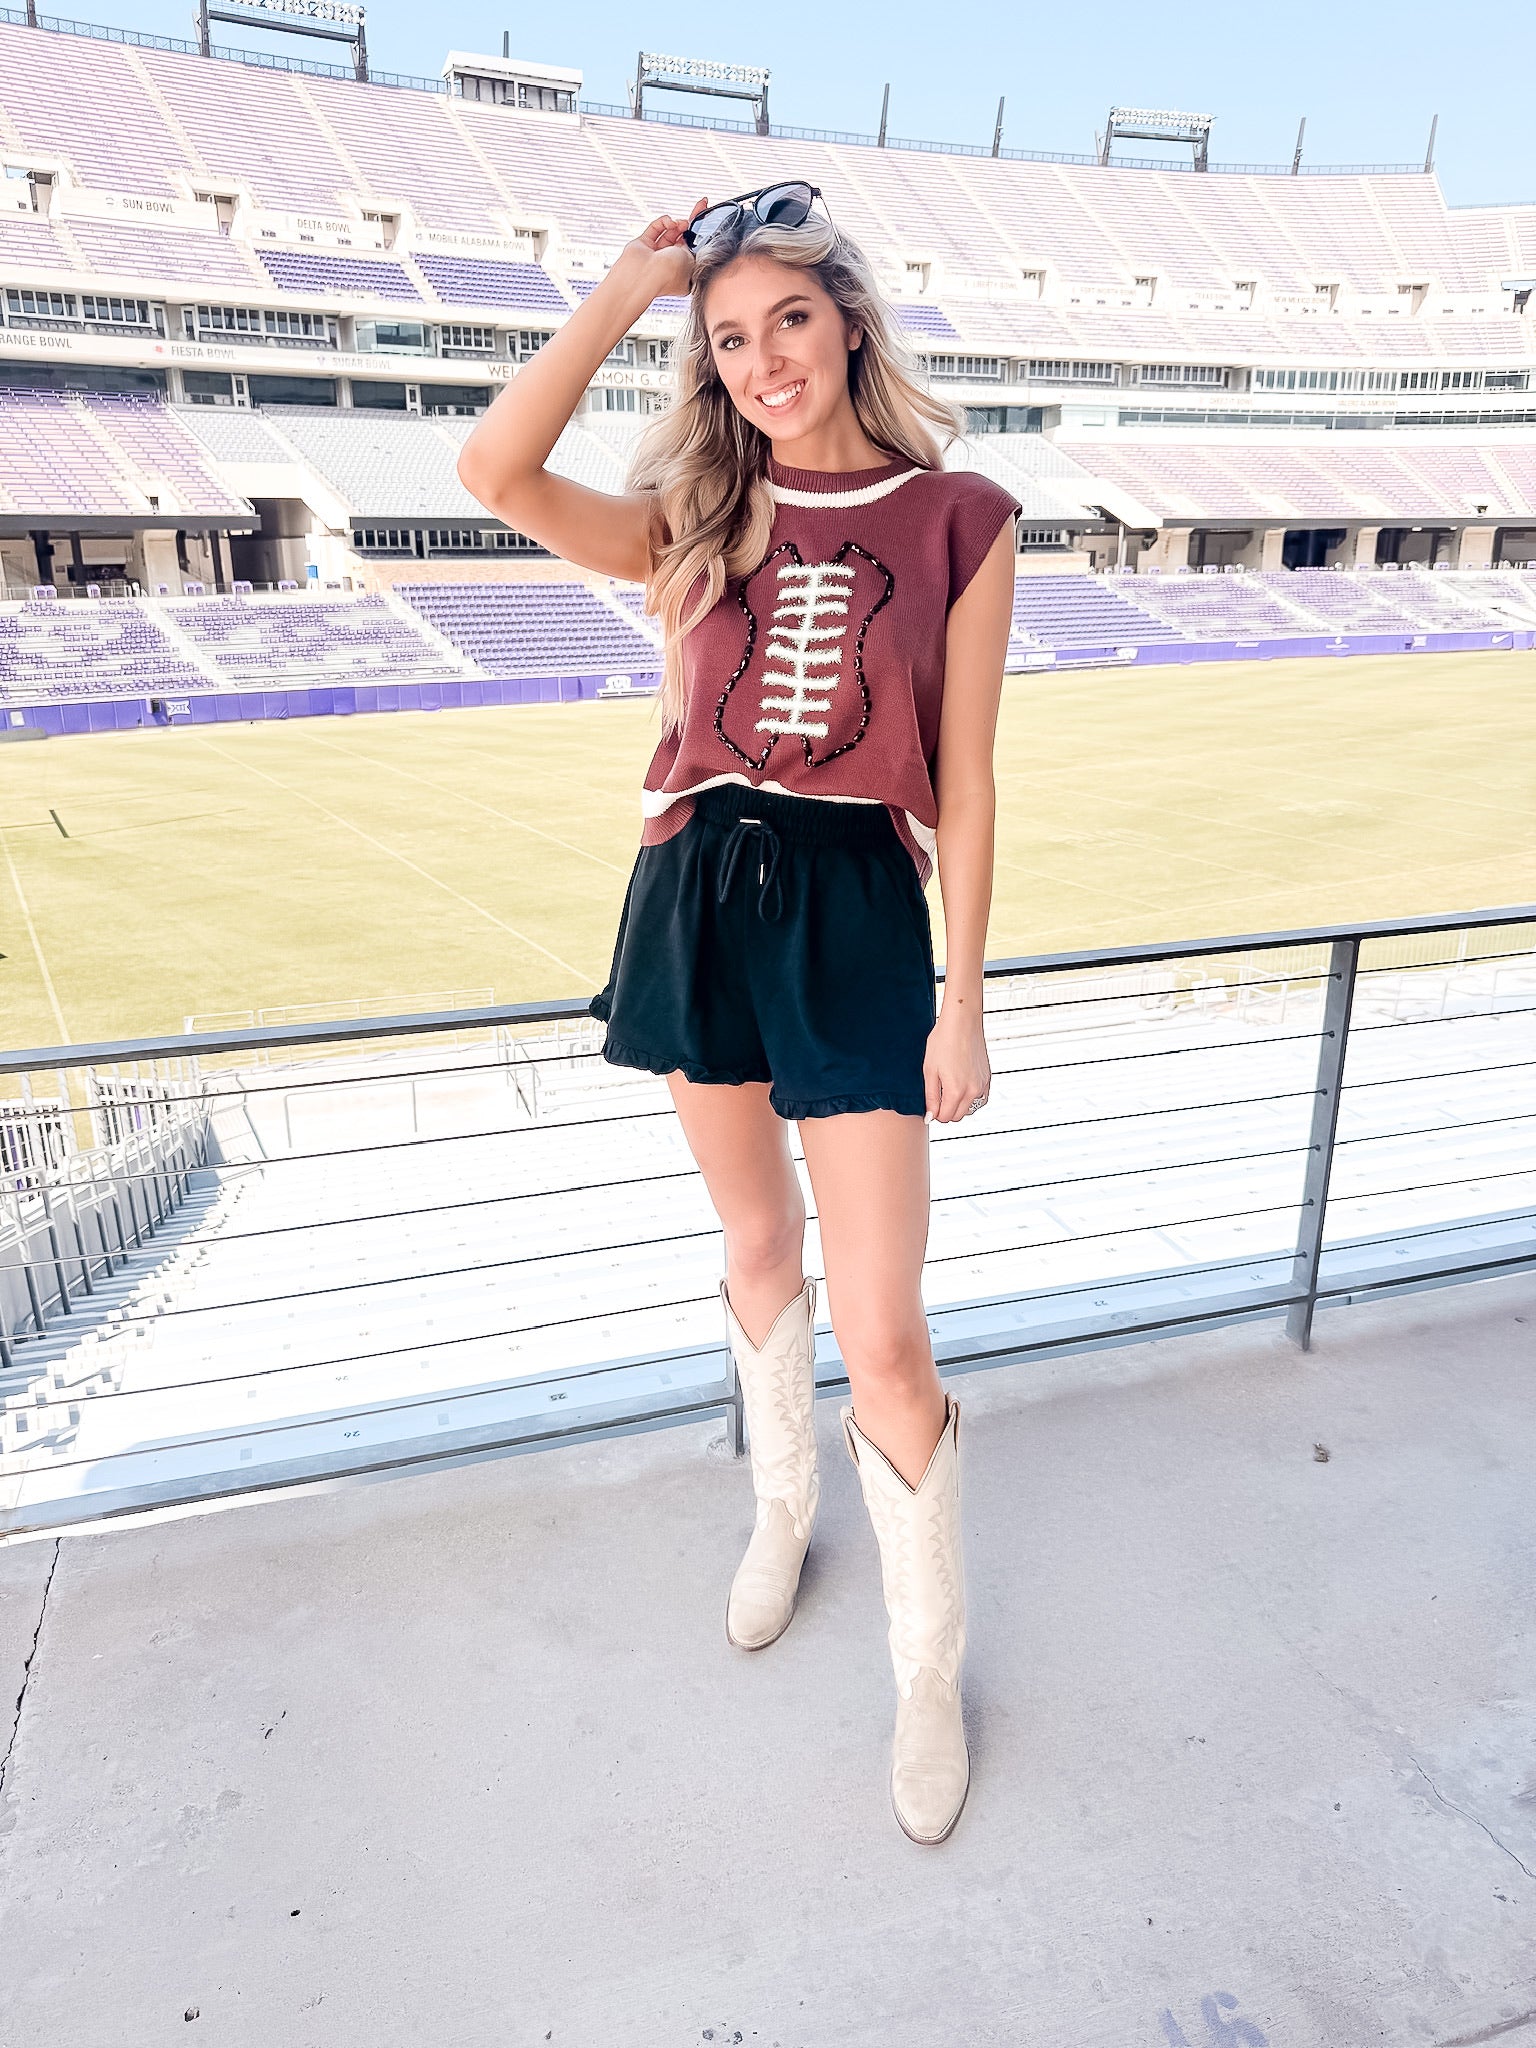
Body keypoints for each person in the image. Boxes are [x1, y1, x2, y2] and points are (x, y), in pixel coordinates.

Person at [458, 182, 1021, 1845]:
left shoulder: (963, 517)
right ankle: (782, 1508)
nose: (765, 358)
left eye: (788, 318)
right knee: (759, 1252)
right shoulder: (699, 517)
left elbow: (972, 786)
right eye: (727, 337)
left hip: (858, 911)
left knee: (891, 1330)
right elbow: (490, 473)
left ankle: (929, 1666)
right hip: (698, 886)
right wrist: (630, 291)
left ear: (846, 318)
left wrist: (964, 994)